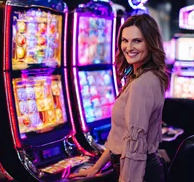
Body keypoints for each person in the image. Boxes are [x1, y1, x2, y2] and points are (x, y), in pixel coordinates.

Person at [69, 14, 169, 181]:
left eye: (137, 41)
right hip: (143, 170)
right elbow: (120, 137)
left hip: (137, 173)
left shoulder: (141, 85)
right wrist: (96, 167)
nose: (129, 47)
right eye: (124, 40)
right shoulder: (148, 76)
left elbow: (134, 147)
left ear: (151, 43)